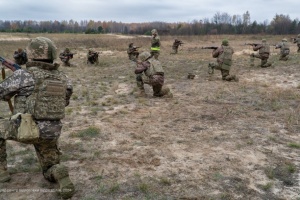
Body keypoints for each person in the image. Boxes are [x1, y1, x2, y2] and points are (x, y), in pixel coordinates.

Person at [0, 37, 75, 199]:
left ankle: (1, 172)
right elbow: (65, 102)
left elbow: (2, 94)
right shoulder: (64, 78)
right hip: (51, 133)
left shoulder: (24, 75)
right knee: (49, 167)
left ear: (31, 54)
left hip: (25, 130)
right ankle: (57, 173)